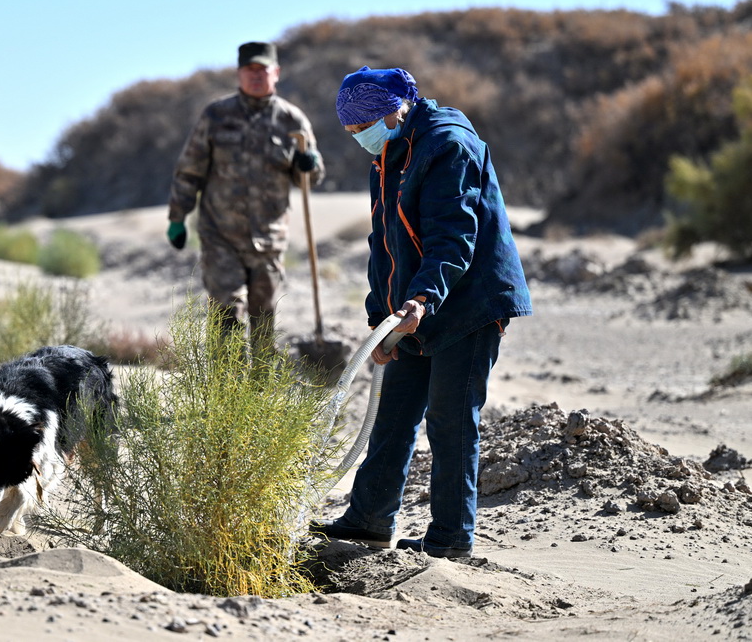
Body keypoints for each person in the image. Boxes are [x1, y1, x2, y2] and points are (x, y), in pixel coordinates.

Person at [311, 66, 532, 558]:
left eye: (362, 127)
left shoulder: (447, 145)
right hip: (413, 305)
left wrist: (423, 298)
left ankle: (452, 539)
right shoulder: (389, 153)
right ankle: (368, 520)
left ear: (395, 111)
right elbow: (384, 242)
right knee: (393, 414)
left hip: (467, 303)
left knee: (450, 420)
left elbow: (453, 236)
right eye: (350, 133)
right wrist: (379, 315)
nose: (358, 138)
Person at [167, 42, 324, 353]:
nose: (256, 76)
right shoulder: (216, 116)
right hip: (220, 235)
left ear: (275, 73)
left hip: (269, 239)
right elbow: (189, 169)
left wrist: (309, 164)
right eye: (249, 70)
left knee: (264, 318)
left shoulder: (292, 121)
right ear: (239, 74)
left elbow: (312, 178)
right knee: (227, 312)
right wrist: (177, 217)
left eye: (262, 70)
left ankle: (259, 393)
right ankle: (227, 392)